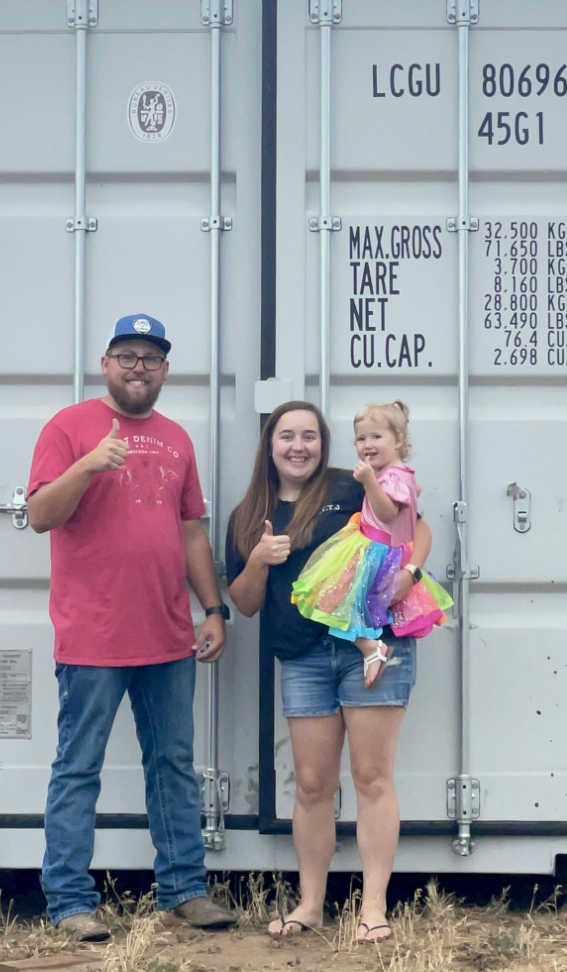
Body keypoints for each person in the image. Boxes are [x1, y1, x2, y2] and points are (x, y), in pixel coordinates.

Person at [27, 313, 236, 942]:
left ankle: (183, 891)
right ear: (106, 364)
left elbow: (190, 530)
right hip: (92, 635)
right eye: (127, 355)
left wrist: (214, 609)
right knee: (78, 768)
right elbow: (39, 515)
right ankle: (69, 900)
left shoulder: (177, 439)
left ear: (165, 370)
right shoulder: (69, 428)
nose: (138, 366)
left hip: (169, 635)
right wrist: (89, 465)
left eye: (150, 357)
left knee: (173, 764)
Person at [225, 401, 437, 943]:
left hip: (374, 650)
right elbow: (244, 604)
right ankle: (312, 904)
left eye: (310, 437)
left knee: (371, 779)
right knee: (313, 785)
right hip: (302, 658)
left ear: (324, 444)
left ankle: (373, 910)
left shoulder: (350, 485)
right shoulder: (249, 514)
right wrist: (258, 560)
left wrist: (411, 572)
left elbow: (417, 526)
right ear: (269, 446)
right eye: (287, 436)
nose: (299, 446)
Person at [292, 401, 451, 686]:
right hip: (377, 545)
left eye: (376, 436)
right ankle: (370, 648)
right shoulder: (397, 474)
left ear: (399, 440)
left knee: (335, 600)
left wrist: (368, 482)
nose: (367, 444)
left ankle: (371, 647)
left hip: (377, 550)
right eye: (361, 438)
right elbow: (414, 491)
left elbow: (388, 512)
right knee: (346, 602)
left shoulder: (387, 477)